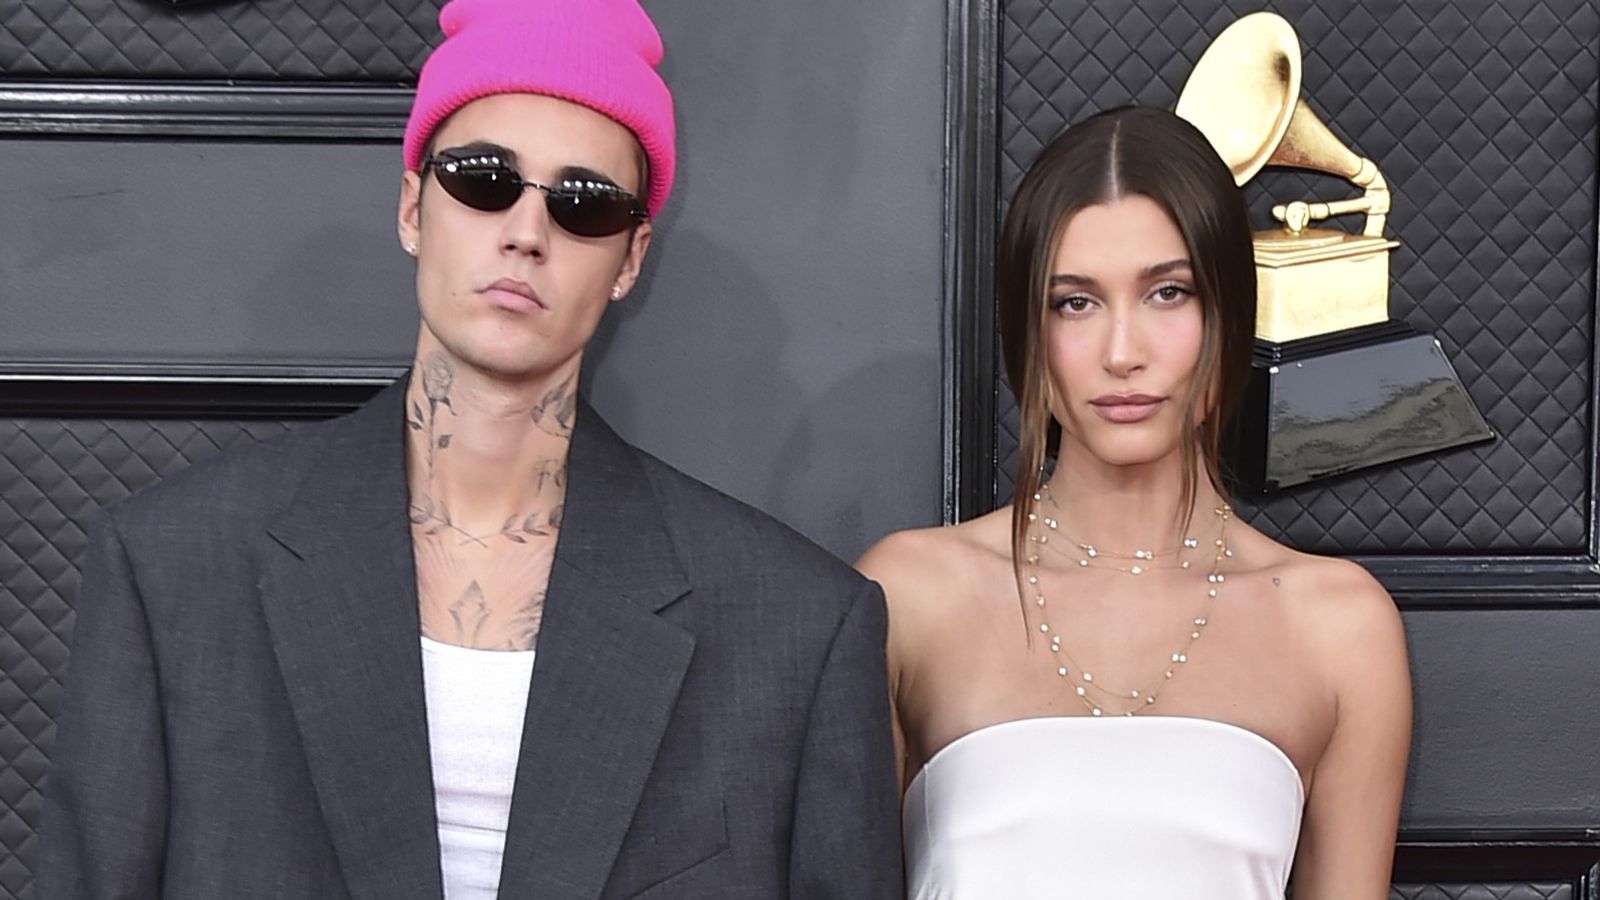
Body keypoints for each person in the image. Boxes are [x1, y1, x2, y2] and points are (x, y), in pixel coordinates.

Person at [35, 0, 902, 896]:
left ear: (632, 258)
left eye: (584, 203)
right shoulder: (176, 566)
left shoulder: (790, 626)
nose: (527, 232)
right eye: (485, 178)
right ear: (414, 205)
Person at [857, 106, 1411, 899]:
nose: (1123, 353)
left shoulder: (1338, 626)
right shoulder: (910, 595)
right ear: (1030, 332)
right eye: (1076, 303)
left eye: (1168, 293)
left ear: (1227, 311)